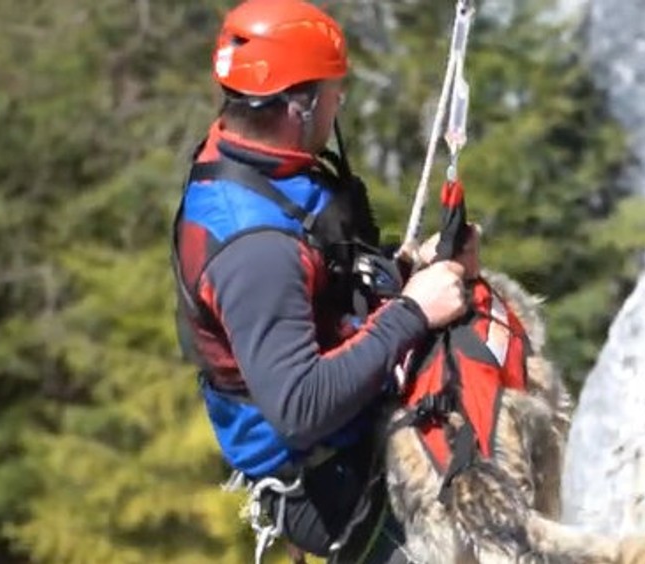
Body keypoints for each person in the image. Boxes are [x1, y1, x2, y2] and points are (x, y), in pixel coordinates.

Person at [170, 1, 479, 561]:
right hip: (328, 481)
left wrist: (406, 272)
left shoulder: (260, 160)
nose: (340, 102)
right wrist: (412, 312)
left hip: (342, 422)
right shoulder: (254, 248)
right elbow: (301, 406)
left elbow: (319, 280)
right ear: (299, 104)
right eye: (334, 91)